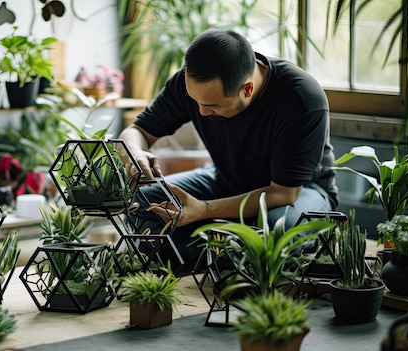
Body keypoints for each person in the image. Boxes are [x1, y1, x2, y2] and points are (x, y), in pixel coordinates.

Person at [119, 28, 339, 275]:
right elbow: (137, 131)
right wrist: (135, 154)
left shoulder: (300, 97)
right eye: (195, 101)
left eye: (213, 106)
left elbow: (283, 194)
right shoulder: (192, 84)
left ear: (247, 89)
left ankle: (229, 264)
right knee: (146, 202)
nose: (201, 112)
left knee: (275, 227)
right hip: (224, 180)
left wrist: (204, 209)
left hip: (300, 193)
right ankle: (198, 268)